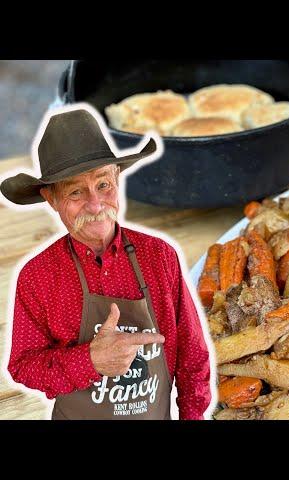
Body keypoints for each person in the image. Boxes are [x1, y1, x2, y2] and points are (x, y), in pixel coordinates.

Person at [0, 106, 212, 419]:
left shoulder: (160, 256)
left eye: (103, 185)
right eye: (76, 192)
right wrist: (91, 360)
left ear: (117, 178)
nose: (96, 204)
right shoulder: (37, 276)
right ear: (51, 199)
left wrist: (191, 416)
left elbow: (192, 355)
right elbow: (23, 366)